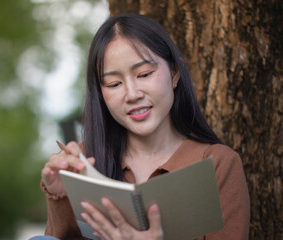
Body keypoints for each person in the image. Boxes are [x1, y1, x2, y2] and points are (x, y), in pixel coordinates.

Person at [39, 13, 250, 240]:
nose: (132, 94)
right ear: (101, 93)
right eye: (114, 83)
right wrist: (59, 194)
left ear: (175, 73)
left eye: (145, 74)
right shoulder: (85, 160)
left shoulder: (217, 163)